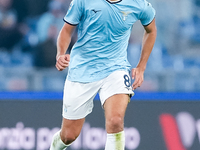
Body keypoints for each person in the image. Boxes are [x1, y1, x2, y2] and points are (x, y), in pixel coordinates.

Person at [50, 0, 157, 149]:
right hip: (82, 69)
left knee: (115, 121)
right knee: (69, 136)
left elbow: (151, 30)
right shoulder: (82, 1)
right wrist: (61, 54)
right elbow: (67, 30)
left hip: (116, 68)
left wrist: (141, 67)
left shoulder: (138, 4)